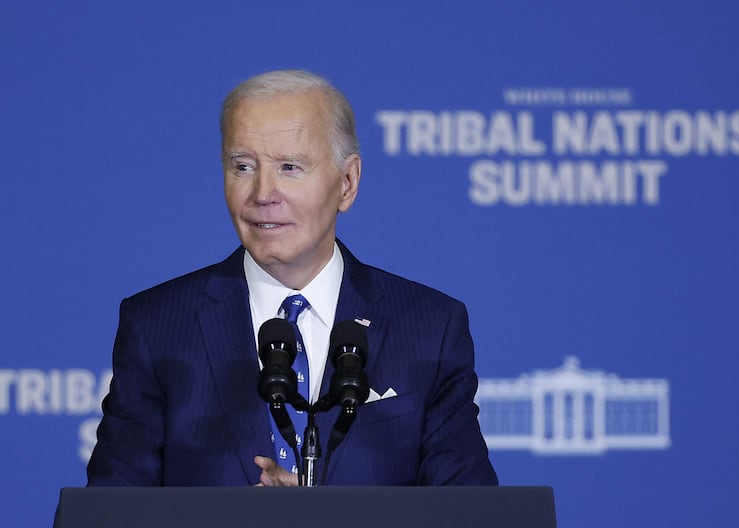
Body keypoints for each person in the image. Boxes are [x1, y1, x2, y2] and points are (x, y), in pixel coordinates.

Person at [87, 69, 497, 486]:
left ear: (348, 183)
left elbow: (469, 512)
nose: (263, 193)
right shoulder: (158, 325)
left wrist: (326, 517)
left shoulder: (430, 327)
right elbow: (111, 510)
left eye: (289, 166)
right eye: (243, 166)